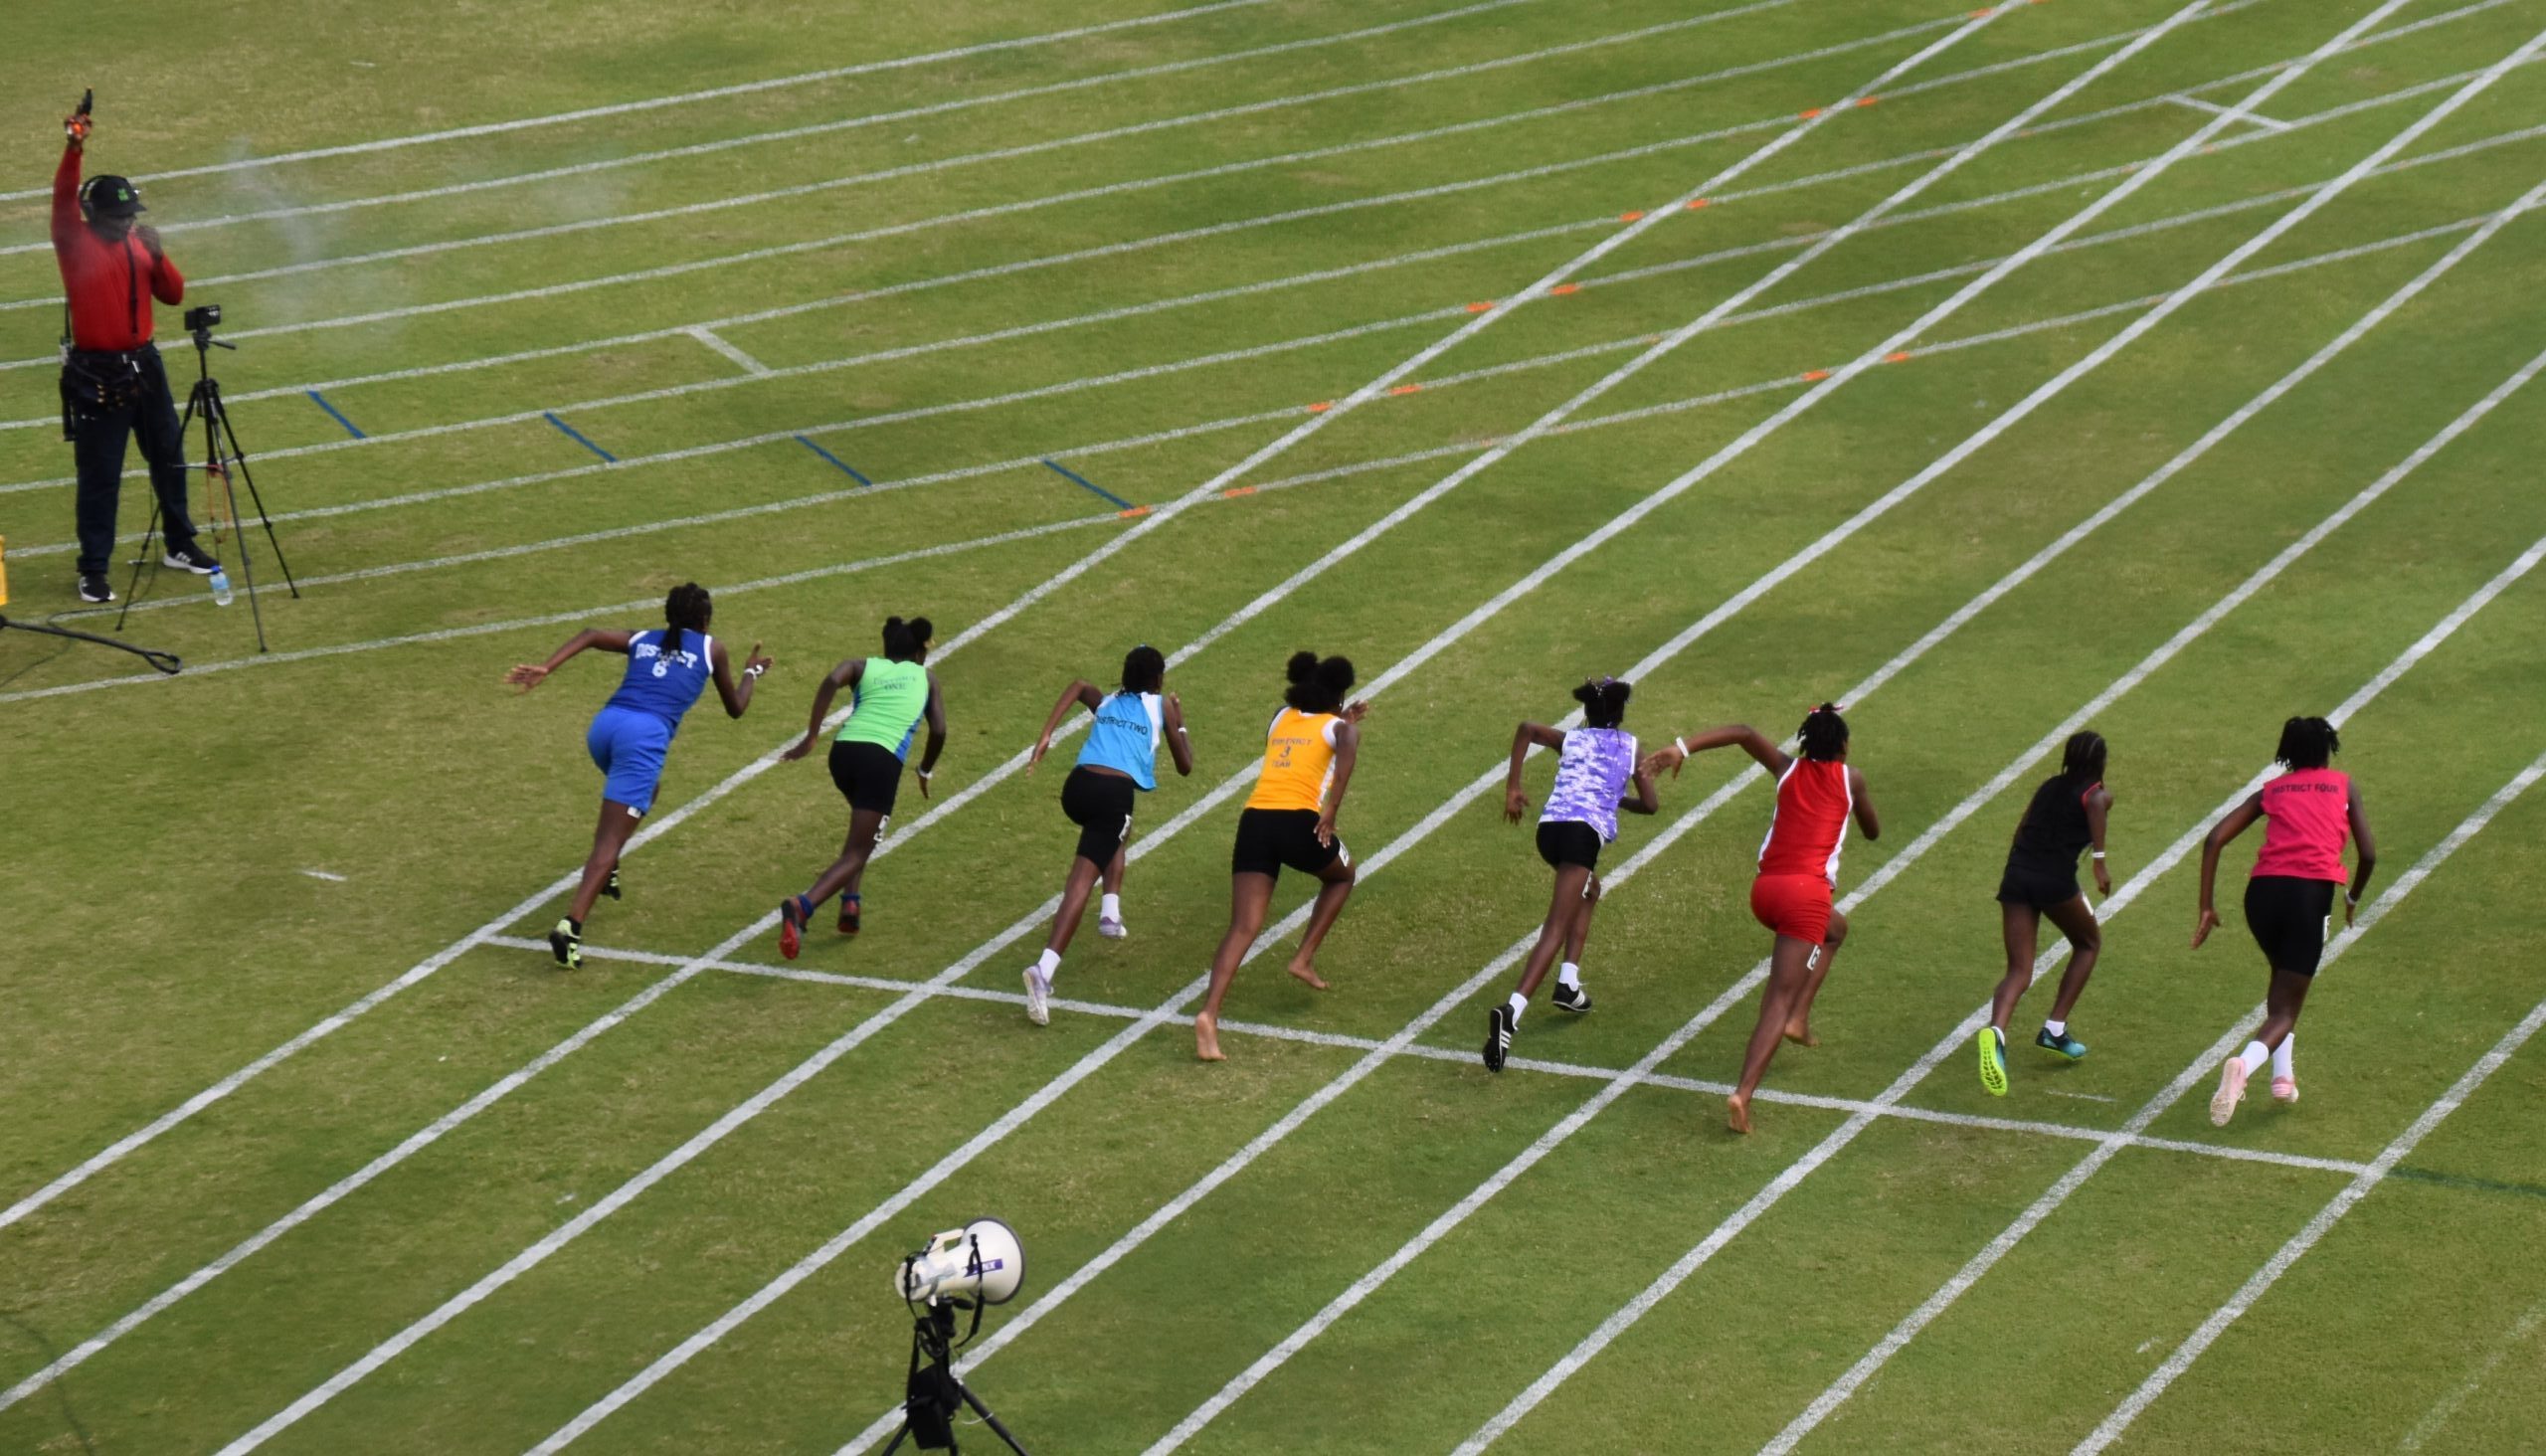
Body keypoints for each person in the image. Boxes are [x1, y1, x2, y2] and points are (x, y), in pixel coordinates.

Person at [505, 583, 769, 968]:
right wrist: (751, 673)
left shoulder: (643, 638)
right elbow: (736, 708)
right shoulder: (712, 649)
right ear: (705, 619)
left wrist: (547, 667)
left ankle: (607, 867)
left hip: (605, 728)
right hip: (641, 739)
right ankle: (571, 926)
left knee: (648, 791)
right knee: (608, 839)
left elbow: (590, 634)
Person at [1646, 704, 1880, 1134]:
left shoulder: (1787, 769)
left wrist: (1682, 748)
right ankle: (1743, 1093)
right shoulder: (1852, 780)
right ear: (1843, 747)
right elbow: (1872, 831)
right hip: (1805, 897)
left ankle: (1799, 1019)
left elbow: (1742, 731)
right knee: (1777, 998)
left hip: (1766, 891)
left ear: (1806, 742)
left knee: (1836, 930)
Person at [54, 100, 222, 604]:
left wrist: (159, 252)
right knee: (101, 474)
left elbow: (173, 294)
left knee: (169, 456)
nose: (127, 222)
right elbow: (61, 197)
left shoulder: (139, 243)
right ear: (92, 215)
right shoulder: (73, 243)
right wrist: (74, 147)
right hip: (98, 373)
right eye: (119, 216)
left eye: (131, 215)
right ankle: (93, 568)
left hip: (145, 365)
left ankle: (179, 543)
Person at [2194, 716, 2378, 1126]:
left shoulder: (2272, 789)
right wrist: (2352, 897)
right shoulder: (2343, 786)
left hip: (2261, 896)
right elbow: (2368, 854)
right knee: (2286, 1008)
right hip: (2308, 897)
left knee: (2282, 982)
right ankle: (2242, 1066)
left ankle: (2282, 1078)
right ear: (2326, 751)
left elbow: (2214, 838)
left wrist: (2206, 905)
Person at [1193, 651, 1367, 1062]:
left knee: (1243, 926)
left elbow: (1308, 736)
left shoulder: (1279, 716)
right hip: (1299, 821)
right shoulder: (1340, 728)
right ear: (1339, 696)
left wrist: (1342, 719)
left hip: (1255, 820)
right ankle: (1303, 957)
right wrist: (1331, 810)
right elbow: (1346, 747)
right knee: (1343, 875)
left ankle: (1208, 1014)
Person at [1483, 677, 1660, 1072]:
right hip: (1582, 837)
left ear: (1588, 712)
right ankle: (1511, 1012)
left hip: (1549, 832)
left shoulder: (1572, 739)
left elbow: (1527, 729)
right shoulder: (1631, 747)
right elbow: (1651, 805)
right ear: (1620, 712)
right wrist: (1616, 798)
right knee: (1555, 928)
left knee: (1590, 890)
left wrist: (1513, 788)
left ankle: (1568, 983)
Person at [1019, 645, 1194, 1025]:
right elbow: (1186, 766)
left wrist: (1047, 734)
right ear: (1157, 679)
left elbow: (1078, 686)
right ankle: (1043, 971)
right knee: (1083, 878)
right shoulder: (1162, 705)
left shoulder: (1108, 700)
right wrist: (1179, 723)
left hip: (1077, 788)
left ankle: (1110, 914)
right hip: (1113, 796)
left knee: (1117, 830)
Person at [776, 615, 946, 958]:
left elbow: (831, 679)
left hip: (843, 754)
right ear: (919, 652)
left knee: (861, 832)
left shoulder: (864, 666)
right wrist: (924, 769)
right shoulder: (926, 678)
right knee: (859, 850)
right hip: (881, 761)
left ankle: (850, 903)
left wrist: (812, 736)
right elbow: (939, 730)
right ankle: (803, 906)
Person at [1977, 731, 2114, 1096]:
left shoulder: (2049, 786)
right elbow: (2098, 804)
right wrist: (2100, 863)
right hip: (2054, 881)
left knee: (2019, 970)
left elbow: (2021, 829)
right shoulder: (2096, 795)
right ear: (2099, 762)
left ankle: (1996, 1031)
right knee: (2088, 943)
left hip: (2017, 875)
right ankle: (2054, 1029)